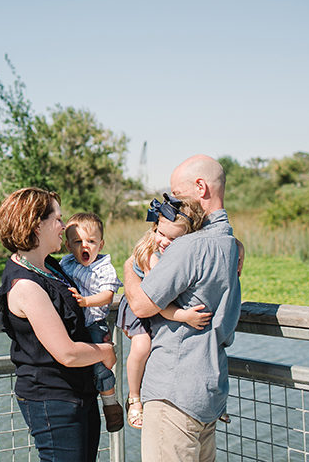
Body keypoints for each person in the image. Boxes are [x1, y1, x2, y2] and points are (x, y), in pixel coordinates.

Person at [124, 155, 242, 462]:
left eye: (176, 195)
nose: (173, 204)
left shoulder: (190, 246)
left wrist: (127, 267)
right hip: (208, 391)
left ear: (200, 187)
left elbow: (141, 304)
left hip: (173, 392)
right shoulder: (229, 243)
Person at [0, 188, 116, 462]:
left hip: (78, 393)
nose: (63, 226)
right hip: (52, 400)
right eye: (57, 219)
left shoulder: (50, 266)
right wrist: (105, 352)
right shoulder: (25, 285)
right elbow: (67, 353)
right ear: (37, 224)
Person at [118, 194, 224, 429]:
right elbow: (157, 303)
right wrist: (183, 316)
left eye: (173, 239)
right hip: (144, 308)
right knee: (142, 346)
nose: (163, 241)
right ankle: (134, 397)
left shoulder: (183, 252)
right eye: (161, 233)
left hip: (159, 308)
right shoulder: (151, 255)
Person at [58, 212, 126, 432]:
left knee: (100, 366)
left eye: (91, 241)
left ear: (101, 244)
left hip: (95, 322)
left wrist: (86, 301)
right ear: (68, 245)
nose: (84, 246)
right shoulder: (66, 263)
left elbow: (107, 296)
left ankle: (110, 404)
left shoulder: (104, 267)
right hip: (75, 325)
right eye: (77, 242)